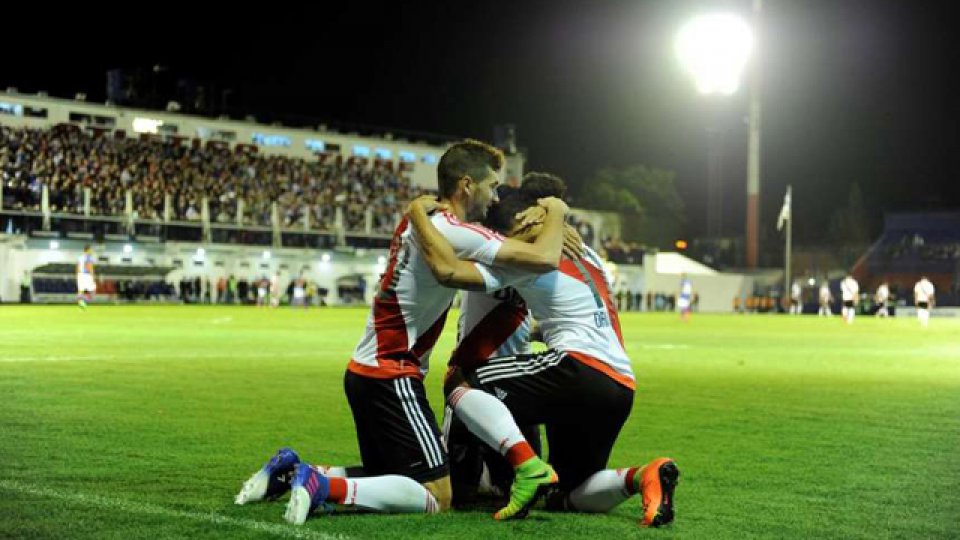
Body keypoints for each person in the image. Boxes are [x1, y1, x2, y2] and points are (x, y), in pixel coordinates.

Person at [236, 140, 570, 525]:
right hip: (392, 373)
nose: (495, 197)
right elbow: (545, 258)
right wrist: (558, 212)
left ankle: (292, 472)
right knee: (437, 495)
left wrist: (414, 209)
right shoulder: (454, 231)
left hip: (365, 371)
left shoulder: (424, 219)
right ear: (466, 185)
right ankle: (322, 487)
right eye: (491, 185)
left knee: (393, 481)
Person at [408, 185, 678, 527]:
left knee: (461, 383)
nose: (506, 245)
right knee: (568, 492)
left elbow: (449, 272)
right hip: (620, 384)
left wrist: (418, 215)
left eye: (508, 235)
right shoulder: (587, 252)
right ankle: (642, 476)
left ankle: (527, 465)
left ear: (527, 222)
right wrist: (556, 210)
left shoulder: (530, 257)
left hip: (577, 368)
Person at [76, 244, 96, 309]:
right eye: (91, 249)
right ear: (88, 250)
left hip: (80, 275)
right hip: (87, 275)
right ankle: (84, 301)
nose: (92, 251)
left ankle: (81, 303)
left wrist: (78, 275)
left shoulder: (80, 257)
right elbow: (89, 267)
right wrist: (92, 277)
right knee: (93, 291)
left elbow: (77, 267)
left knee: (80, 290)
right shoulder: (89, 257)